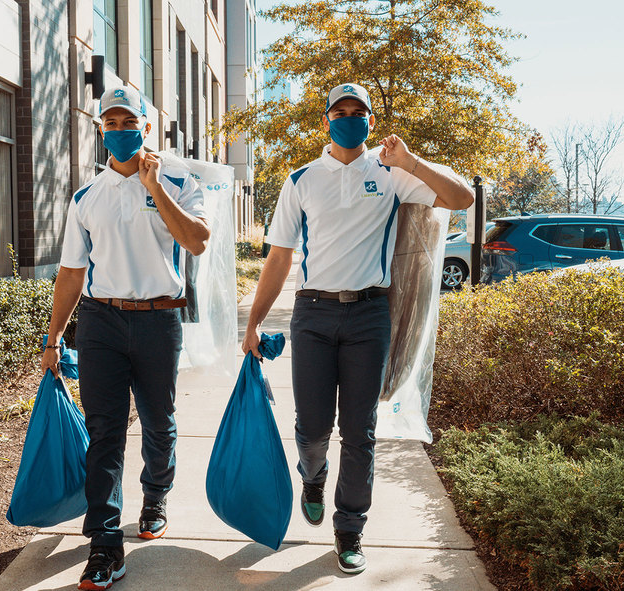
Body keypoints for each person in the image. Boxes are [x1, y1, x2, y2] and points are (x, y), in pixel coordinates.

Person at [241, 83, 474, 575]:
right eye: (340, 111)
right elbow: (280, 256)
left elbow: (463, 198)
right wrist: (255, 321)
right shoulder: (301, 179)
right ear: (326, 119)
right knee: (312, 426)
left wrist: (411, 162)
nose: (349, 117)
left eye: (358, 111)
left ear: (370, 119)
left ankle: (350, 530)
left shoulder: (390, 174)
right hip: (313, 314)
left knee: (360, 430)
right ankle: (313, 474)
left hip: (370, 314)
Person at [41, 85, 210, 591]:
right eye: (110, 124)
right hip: (101, 324)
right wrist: (53, 340)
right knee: (106, 433)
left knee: (159, 420)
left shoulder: (180, 180)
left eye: (127, 122)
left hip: (160, 320)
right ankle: (104, 544)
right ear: (100, 131)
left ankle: (155, 492)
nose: (119, 131)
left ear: (146, 127)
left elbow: (197, 241)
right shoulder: (85, 197)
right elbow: (71, 273)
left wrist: (155, 188)